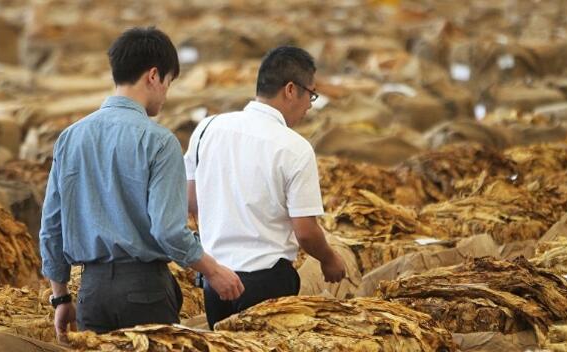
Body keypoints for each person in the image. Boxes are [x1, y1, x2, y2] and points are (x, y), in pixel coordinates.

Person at [39, 26, 244, 340]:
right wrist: (214, 271)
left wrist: (61, 297)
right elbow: (168, 230)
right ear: (153, 76)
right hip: (144, 290)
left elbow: (51, 227)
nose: (166, 94)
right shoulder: (159, 142)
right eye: (168, 82)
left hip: (92, 293)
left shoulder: (71, 137)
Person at [184, 46, 346, 329]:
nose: (310, 105)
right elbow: (305, 232)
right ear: (291, 90)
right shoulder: (295, 148)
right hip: (266, 283)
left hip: (215, 280)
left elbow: (190, 200)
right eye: (311, 94)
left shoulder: (207, 128)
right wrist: (330, 260)